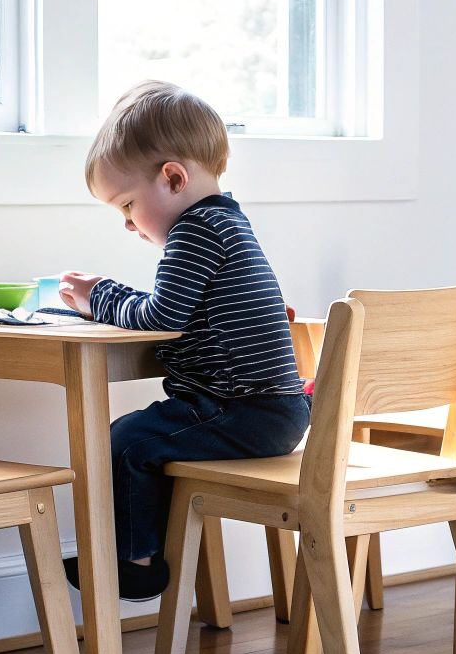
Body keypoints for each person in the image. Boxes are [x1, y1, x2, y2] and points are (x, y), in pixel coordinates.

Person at [57, 81, 311, 599]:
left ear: (173, 177)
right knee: (145, 438)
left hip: (241, 409)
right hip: (269, 409)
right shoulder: (227, 222)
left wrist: (97, 296)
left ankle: (135, 561)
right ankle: (150, 547)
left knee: (128, 441)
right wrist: (113, 295)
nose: (128, 224)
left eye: (127, 205)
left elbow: (159, 316)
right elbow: (178, 312)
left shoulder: (195, 230)